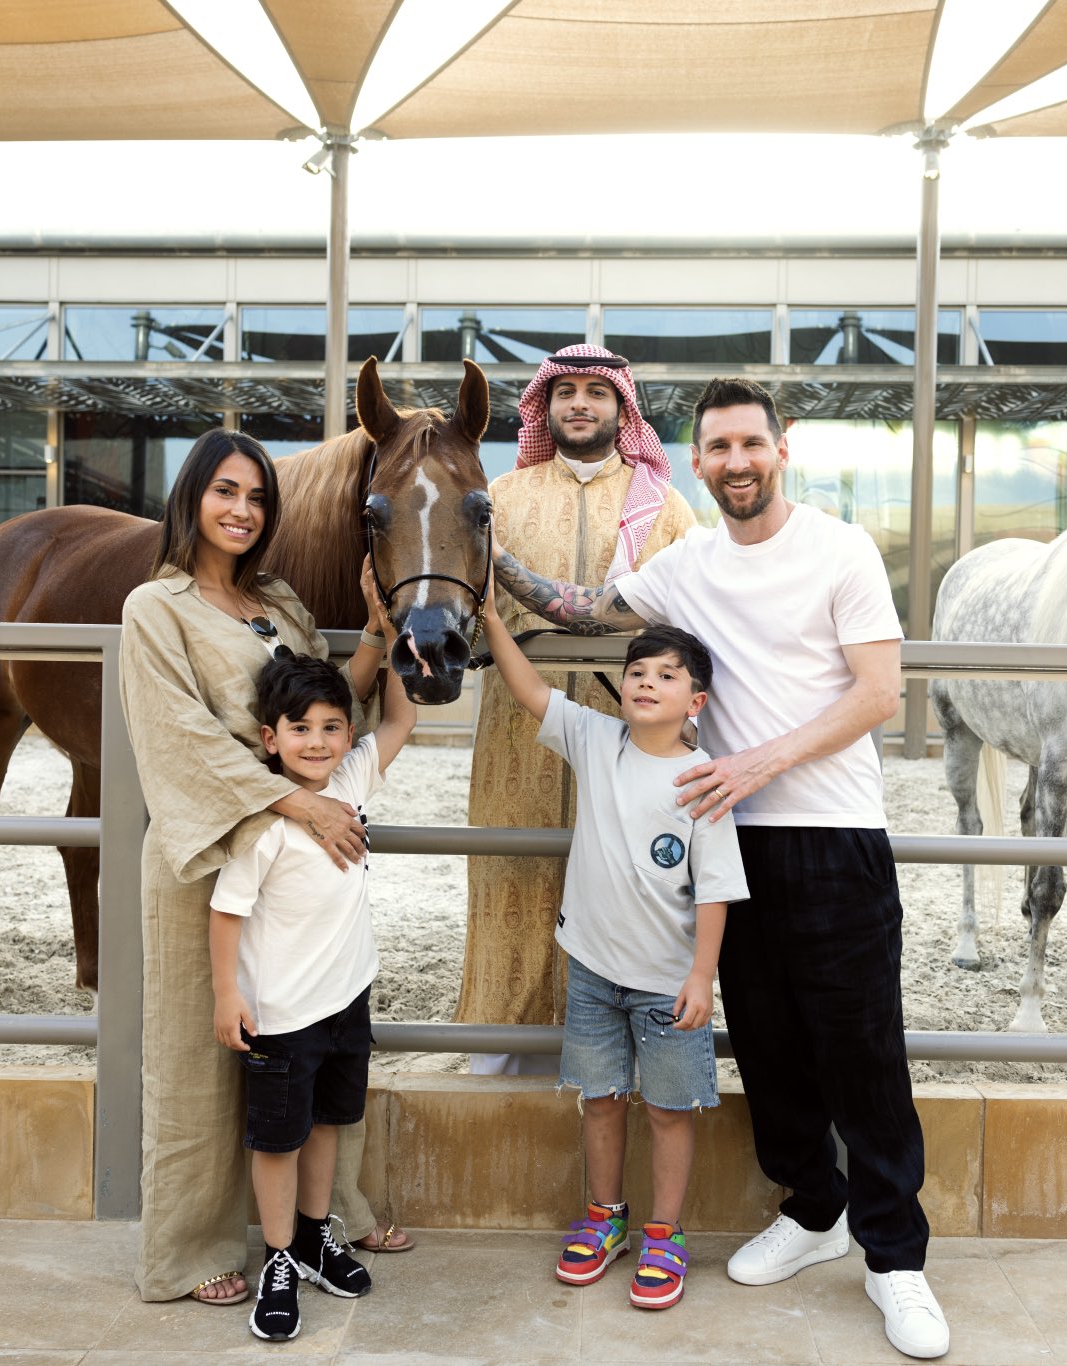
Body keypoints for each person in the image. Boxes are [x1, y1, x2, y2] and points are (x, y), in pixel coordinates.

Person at [489, 377, 950, 1359]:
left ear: (780, 450)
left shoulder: (840, 548)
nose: (735, 461)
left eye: (750, 443)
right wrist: (478, 560)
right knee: (772, 1047)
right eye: (717, 447)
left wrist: (754, 761)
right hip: (724, 844)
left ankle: (894, 1258)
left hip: (830, 832)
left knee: (859, 1048)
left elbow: (878, 693)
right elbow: (580, 611)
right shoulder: (684, 562)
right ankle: (811, 1207)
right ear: (694, 462)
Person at [118, 429, 406, 1309]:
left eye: (257, 498)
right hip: (207, 849)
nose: (242, 511)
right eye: (225, 493)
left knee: (316, 1032)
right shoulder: (155, 608)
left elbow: (329, 697)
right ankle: (194, 1245)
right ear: (192, 499)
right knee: (206, 1051)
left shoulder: (277, 600)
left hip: (301, 857)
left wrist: (380, 629)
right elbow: (181, 740)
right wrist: (300, 804)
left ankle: (323, 1222)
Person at [479, 609, 746, 1309]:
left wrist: (701, 977)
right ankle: (606, 1218)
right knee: (599, 1101)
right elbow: (531, 690)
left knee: (667, 1110)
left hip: (667, 983)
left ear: (696, 703)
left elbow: (716, 891)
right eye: (636, 672)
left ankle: (666, 1230)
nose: (646, 683)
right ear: (620, 690)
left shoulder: (703, 781)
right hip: (594, 973)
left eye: (666, 675)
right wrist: (487, 619)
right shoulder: (596, 741)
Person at [461, 344, 697, 1073]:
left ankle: (610, 1038)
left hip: (631, 738)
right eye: (565, 392)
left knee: (625, 876)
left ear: (622, 409)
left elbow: (689, 626)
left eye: (597, 392)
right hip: (517, 730)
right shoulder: (501, 496)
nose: (580, 404)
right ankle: (495, 1040)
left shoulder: (669, 507)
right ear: (544, 407)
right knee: (510, 866)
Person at [211, 649, 416, 1339]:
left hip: (347, 1001)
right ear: (271, 739)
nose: (319, 742)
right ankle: (275, 1259)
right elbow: (226, 914)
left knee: (329, 1122)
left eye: (332, 727)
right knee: (278, 1140)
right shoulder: (266, 824)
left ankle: (310, 1235)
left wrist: (394, 641)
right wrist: (224, 996)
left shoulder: (352, 780)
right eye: (300, 728)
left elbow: (400, 718)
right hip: (279, 1014)